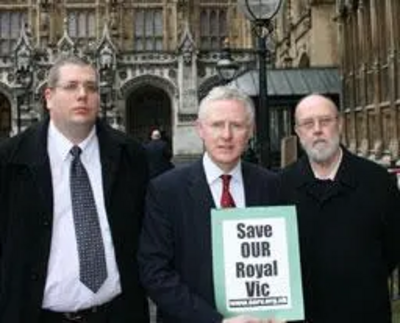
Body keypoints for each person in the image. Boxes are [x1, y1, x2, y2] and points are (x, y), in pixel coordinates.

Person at [0, 56, 150, 323]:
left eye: (91, 88)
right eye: (71, 87)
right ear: (48, 96)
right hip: (35, 315)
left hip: (116, 313)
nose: (83, 95)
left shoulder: (131, 155)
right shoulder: (9, 159)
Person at [138, 86, 283, 323]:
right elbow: (155, 272)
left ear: (250, 131)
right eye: (217, 125)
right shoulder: (165, 190)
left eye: (236, 125)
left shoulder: (271, 185)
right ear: (200, 129)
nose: (226, 135)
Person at [279, 94, 400, 323]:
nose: (317, 130)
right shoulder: (281, 186)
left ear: (340, 123)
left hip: (365, 313)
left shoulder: (377, 181)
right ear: (298, 131)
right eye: (308, 123)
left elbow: (392, 248)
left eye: (325, 121)